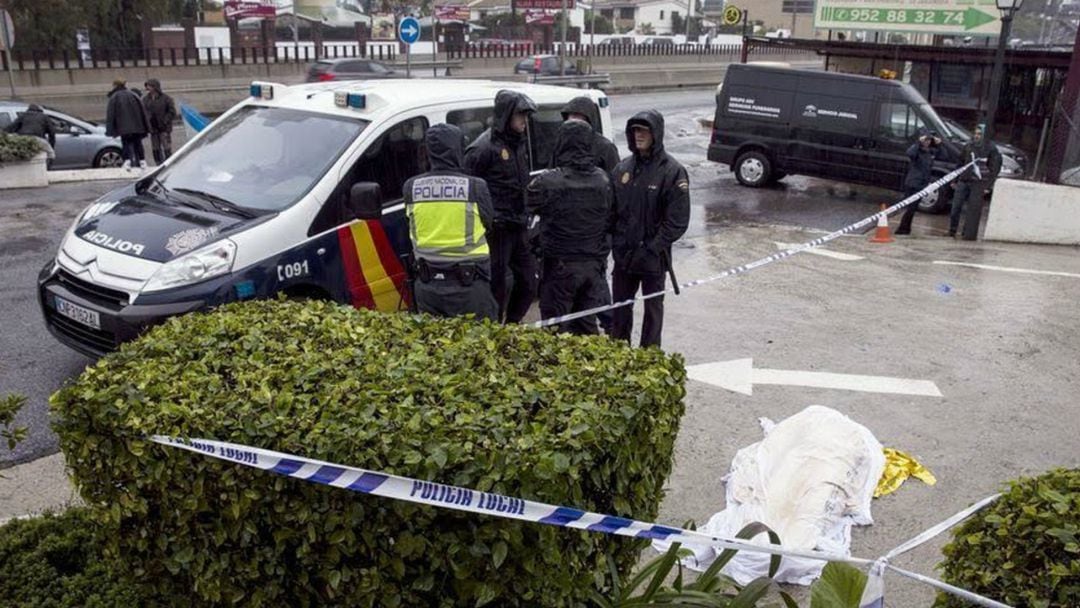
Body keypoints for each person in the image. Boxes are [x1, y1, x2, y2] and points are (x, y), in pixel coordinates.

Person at [611, 110, 690, 349]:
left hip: (653, 259)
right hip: (624, 258)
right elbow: (611, 213)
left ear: (656, 133)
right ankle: (619, 354)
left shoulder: (673, 171)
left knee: (653, 312)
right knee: (620, 311)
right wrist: (617, 245)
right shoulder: (623, 169)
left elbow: (677, 221)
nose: (639, 135)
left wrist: (651, 248)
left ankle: (649, 357)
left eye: (644, 130)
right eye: (635, 130)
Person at [404, 124, 499, 320]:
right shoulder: (475, 186)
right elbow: (489, 223)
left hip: (427, 286)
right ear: (458, 149)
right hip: (468, 286)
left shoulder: (411, 187)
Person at [527, 120, 614, 335]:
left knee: (554, 331)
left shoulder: (547, 182)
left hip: (560, 268)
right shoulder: (603, 180)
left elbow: (527, 209)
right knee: (586, 326)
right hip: (593, 267)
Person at [464, 89, 538, 323]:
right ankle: (494, 329)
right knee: (496, 285)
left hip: (519, 226)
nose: (524, 121)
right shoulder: (483, 148)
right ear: (507, 115)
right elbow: (469, 189)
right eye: (520, 116)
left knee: (528, 281)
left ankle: (513, 322)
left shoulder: (518, 143)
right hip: (496, 231)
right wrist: (488, 219)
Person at [551, 96, 622, 333]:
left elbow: (615, 195)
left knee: (596, 293)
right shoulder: (560, 145)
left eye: (579, 118)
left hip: (595, 236)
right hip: (565, 236)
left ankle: (610, 330)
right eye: (570, 118)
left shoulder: (604, 149)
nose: (574, 123)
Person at [949, 124, 1002, 240]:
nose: (976, 136)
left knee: (971, 211)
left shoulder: (991, 149)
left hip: (977, 184)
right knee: (955, 208)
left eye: (979, 134)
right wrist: (954, 179)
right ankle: (952, 231)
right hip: (964, 180)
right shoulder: (968, 146)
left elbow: (994, 168)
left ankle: (965, 233)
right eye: (976, 133)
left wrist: (988, 185)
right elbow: (960, 163)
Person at [551, 96, 620, 173]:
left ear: (589, 120)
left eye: (578, 117)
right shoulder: (562, 143)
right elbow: (552, 170)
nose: (574, 120)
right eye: (572, 116)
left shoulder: (606, 147)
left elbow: (615, 177)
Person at [895, 130, 944, 236]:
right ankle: (902, 229)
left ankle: (905, 229)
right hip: (912, 183)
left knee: (913, 209)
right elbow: (910, 153)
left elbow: (943, 155)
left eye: (929, 140)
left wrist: (939, 144)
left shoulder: (930, 152)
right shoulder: (917, 150)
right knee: (910, 208)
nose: (927, 142)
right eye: (925, 140)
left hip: (922, 184)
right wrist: (918, 143)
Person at [105, 78, 150, 169]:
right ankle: (142, 161)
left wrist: (110, 130)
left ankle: (127, 161)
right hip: (137, 126)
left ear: (115, 85)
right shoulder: (134, 95)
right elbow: (142, 112)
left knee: (125, 143)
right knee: (138, 143)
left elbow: (111, 115)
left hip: (123, 127)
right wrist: (146, 127)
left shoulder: (114, 97)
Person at [143, 78, 177, 165]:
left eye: (149, 86)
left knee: (166, 147)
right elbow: (144, 111)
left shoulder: (166, 98)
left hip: (164, 128)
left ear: (155, 87)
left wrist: (165, 121)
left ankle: (169, 163)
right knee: (155, 148)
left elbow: (172, 112)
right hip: (153, 128)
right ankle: (158, 163)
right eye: (147, 86)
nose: (148, 88)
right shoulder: (146, 99)